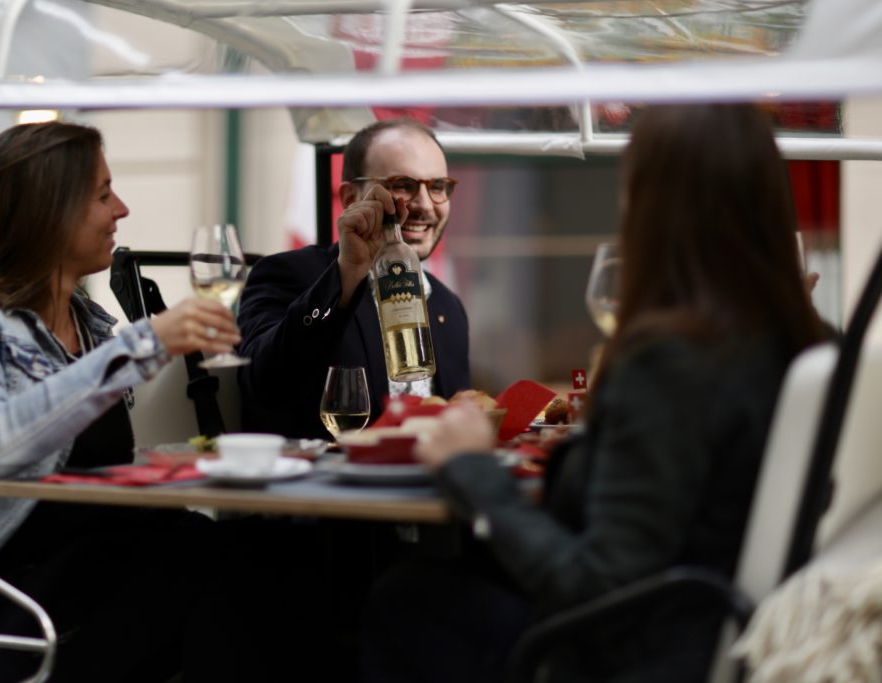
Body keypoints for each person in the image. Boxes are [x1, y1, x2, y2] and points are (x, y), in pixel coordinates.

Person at [360, 103, 828, 682]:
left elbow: (597, 584)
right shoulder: (808, 344)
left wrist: (470, 468)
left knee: (406, 596)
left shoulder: (671, 361)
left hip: (638, 652)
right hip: (742, 635)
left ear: (650, 205)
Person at [0, 121, 241, 682]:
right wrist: (152, 341)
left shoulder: (89, 324)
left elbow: (83, 468)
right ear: (48, 211)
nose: (122, 209)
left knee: (244, 553)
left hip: (78, 582)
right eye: (101, 194)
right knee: (204, 568)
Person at [237, 118, 470, 439]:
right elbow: (263, 382)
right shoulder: (288, 274)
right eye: (403, 185)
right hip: (324, 484)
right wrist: (347, 274)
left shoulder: (448, 305)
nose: (425, 205)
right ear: (349, 199)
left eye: (438, 187)